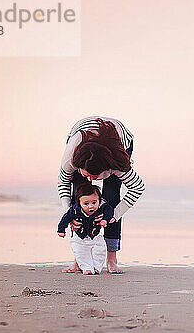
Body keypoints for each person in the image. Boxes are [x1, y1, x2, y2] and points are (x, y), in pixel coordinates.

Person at [58, 116, 145, 273]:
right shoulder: (71, 159)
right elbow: (63, 183)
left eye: (95, 177)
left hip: (118, 143)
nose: (90, 180)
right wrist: (69, 215)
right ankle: (79, 259)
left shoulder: (117, 164)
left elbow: (137, 187)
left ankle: (112, 259)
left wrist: (114, 215)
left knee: (111, 197)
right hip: (81, 139)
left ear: (108, 170)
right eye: (87, 175)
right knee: (80, 199)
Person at [57, 184, 113, 275]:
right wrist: (61, 229)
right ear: (79, 203)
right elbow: (66, 218)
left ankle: (96, 267)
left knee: (100, 251)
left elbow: (109, 210)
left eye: (94, 203)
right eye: (86, 204)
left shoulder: (101, 208)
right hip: (79, 238)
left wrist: (105, 219)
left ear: (99, 200)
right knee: (81, 253)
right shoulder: (75, 210)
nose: (91, 206)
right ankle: (86, 268)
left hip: (96, 236)